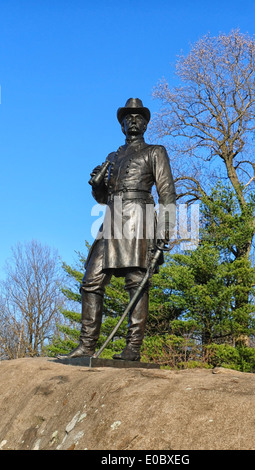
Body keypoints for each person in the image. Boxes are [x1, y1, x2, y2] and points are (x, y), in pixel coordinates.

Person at [61, 98, 176, 361]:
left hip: (140, 217)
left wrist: (163, 237)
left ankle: (132, 348)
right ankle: (86, 346)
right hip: (112, 219)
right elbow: (103, 198)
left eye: (138, 117)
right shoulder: (112, 157)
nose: (132, 121)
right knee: (91, 281)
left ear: (146, 123)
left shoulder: (155, 151)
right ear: (122, 125)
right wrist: (96, 185)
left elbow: (168, 195)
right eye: (128, 118)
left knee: (136, 283)